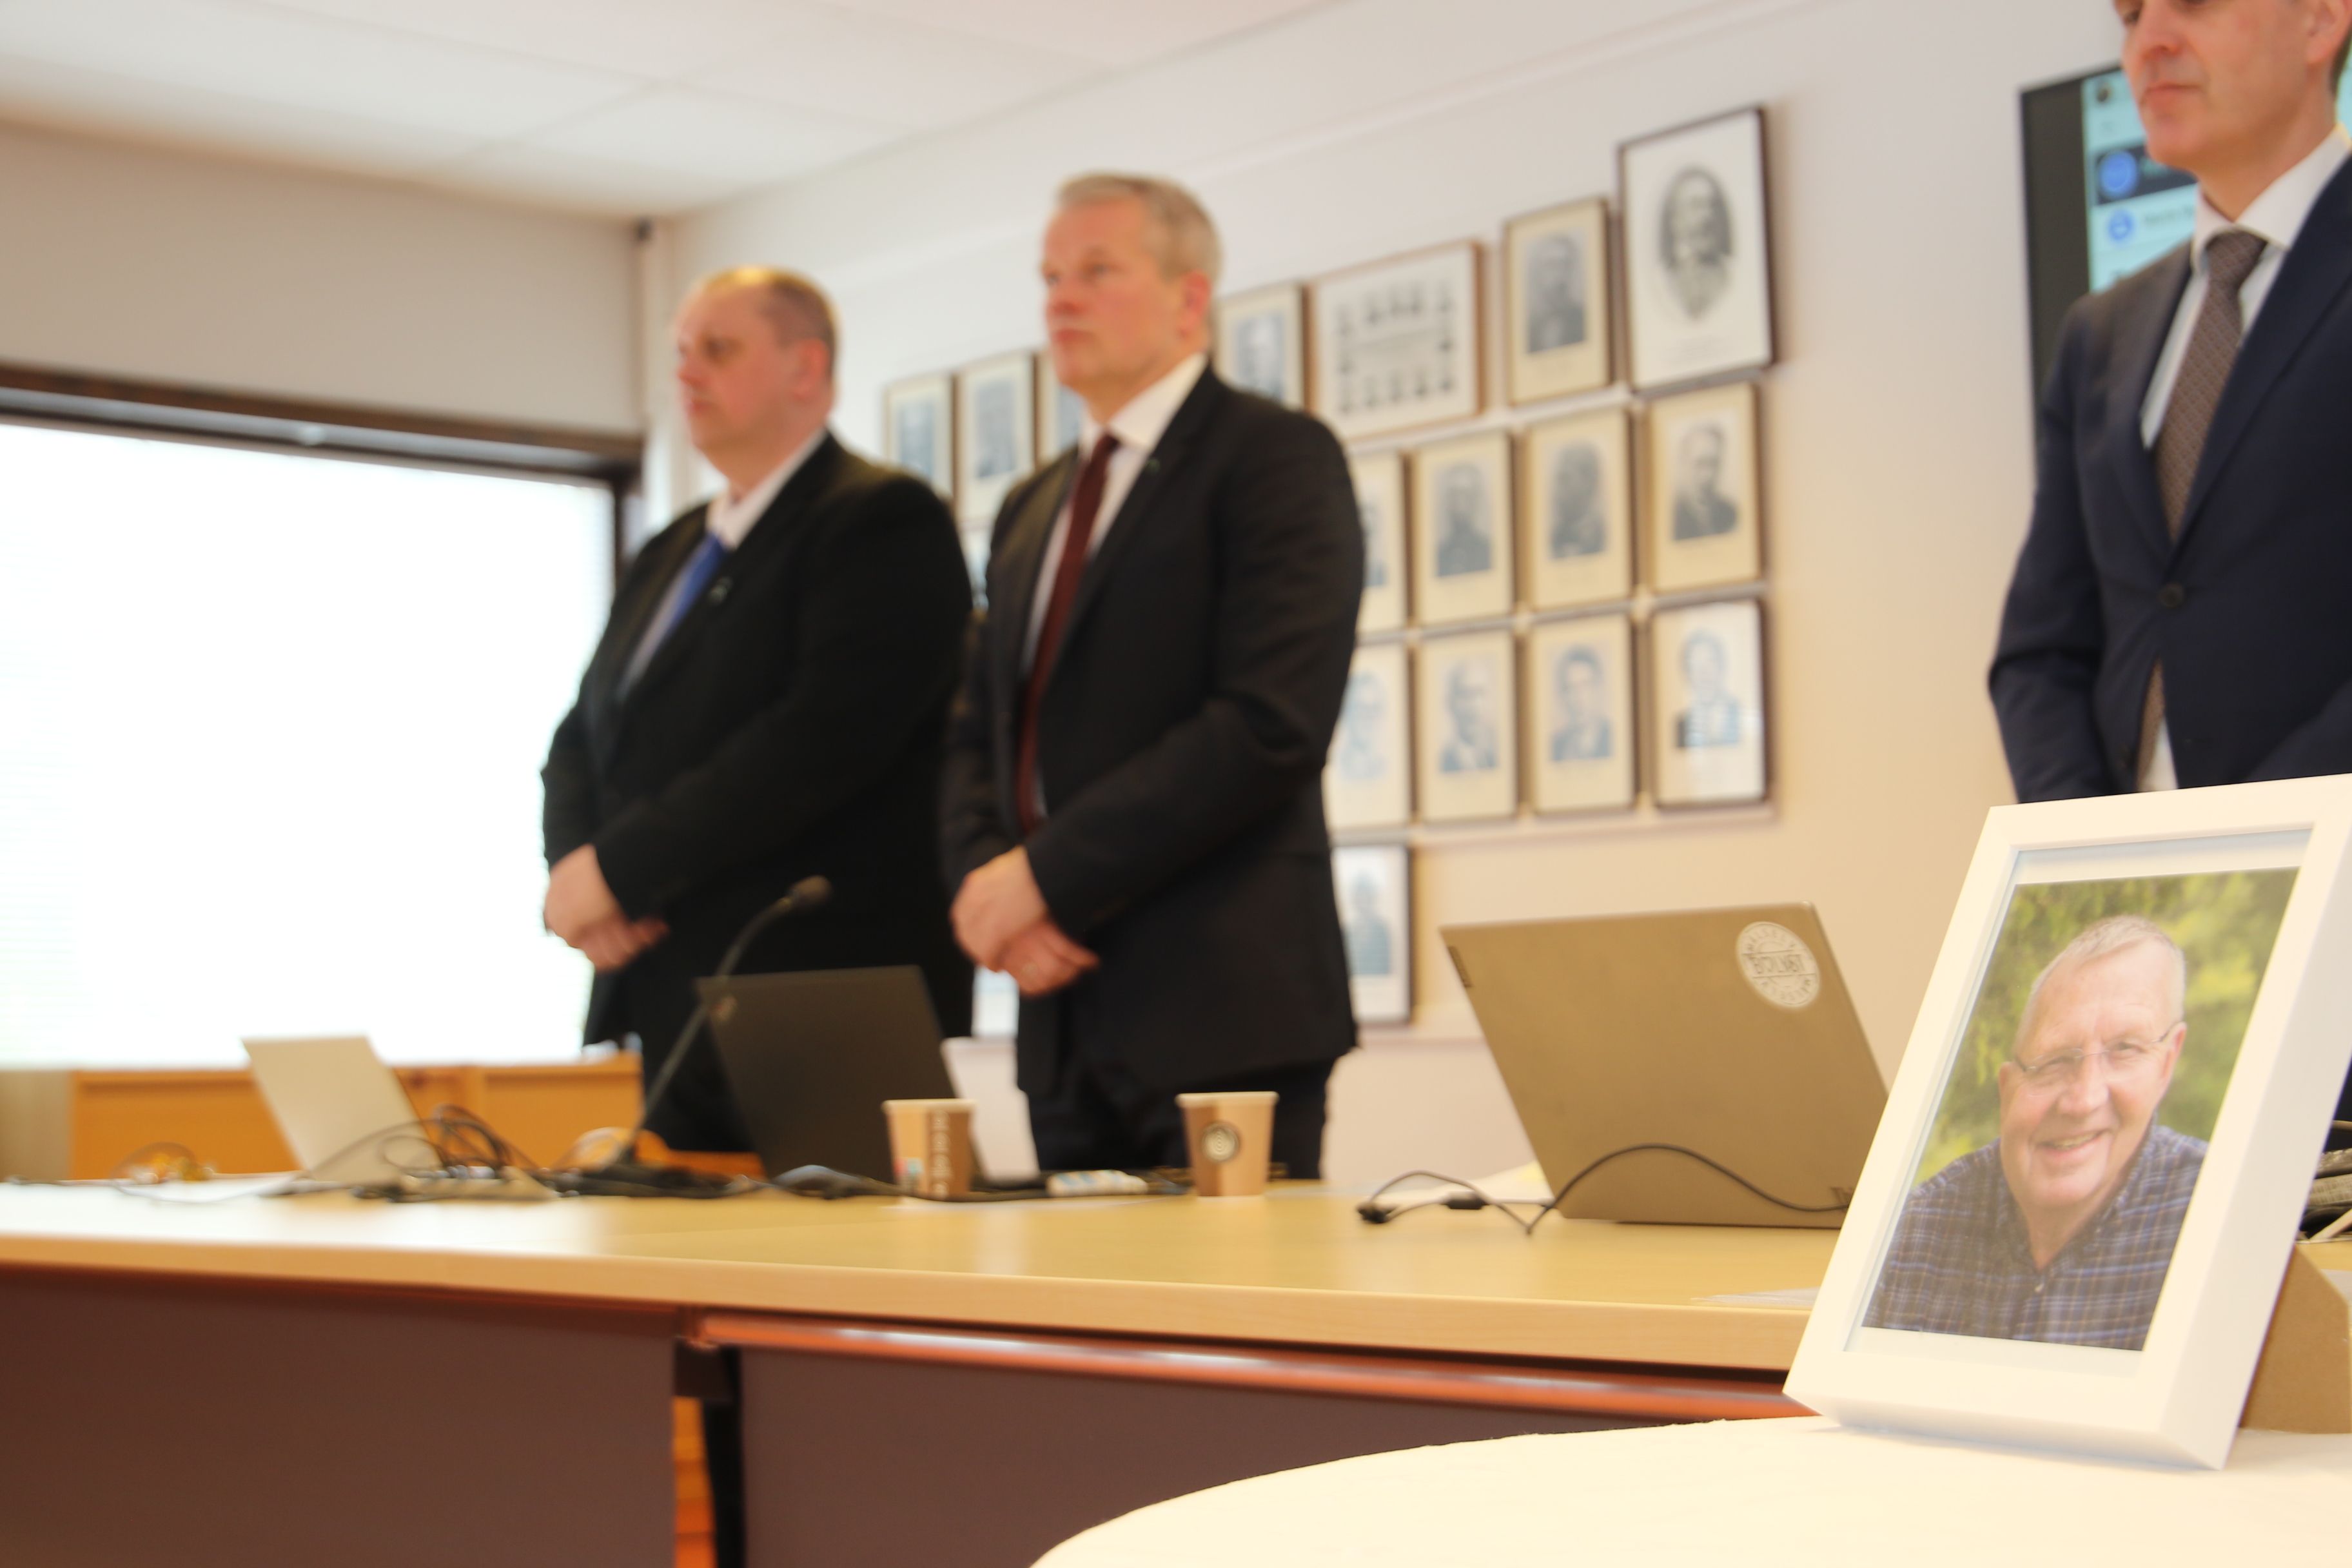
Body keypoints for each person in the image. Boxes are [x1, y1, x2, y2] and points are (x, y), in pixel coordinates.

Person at [939, 173, 1363, 1176]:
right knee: (1073, 1286)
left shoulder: (1275, 458)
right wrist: (988, 885)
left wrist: (1045, 878)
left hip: (1223, 1010)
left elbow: (1269, 722)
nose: (1062, 301)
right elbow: (979, 731)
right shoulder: (1032, 506)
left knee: (1239, 1283)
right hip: (1058, 1013)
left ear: (1189, 296)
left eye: (1097, 271)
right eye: (1050, 277)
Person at [1989, 0, 2352, 1130]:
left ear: (2320, 21)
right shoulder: (2101, 332)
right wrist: (2101, 862)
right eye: (2131, 12)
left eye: (2189, 3)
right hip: (2146, 961)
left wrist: (2254, 848)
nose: (2147, 42)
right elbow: (2043, 649)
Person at [541, 267, 974, 1153]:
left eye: (718, 349)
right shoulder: (671, 549)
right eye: (680, 352)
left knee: (834, 1237)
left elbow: (817, 741)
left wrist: (622, 867)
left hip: (819, 982)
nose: (687, 373)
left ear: (805, 368)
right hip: (670, 976)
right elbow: (585, 732)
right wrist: (576, 875)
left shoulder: (881, 520)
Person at [1867, 917, 2202, 1349]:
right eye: (2053, 1061)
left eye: (2125, 1049)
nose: (2083, 1099)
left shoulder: (2217, 1219)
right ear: (2007, 1089)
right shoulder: (1915, 1231)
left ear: (2167, 1062)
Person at [1660, 166, 1734, 319]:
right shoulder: (1660, 280)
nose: (1707, 215)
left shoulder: (1733, 273)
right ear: (1676, 218)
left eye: (1711, 206)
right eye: (1697, 205)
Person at [1674, 631, 1741, 749]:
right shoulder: (1682, 724)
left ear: (1721, 666)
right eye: (1696, 664)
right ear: (1688, 673)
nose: (1703, 672)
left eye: (1710, 662)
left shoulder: (1739, 714)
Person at [1670, 423, 1736, 541]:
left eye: (1713, 463)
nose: (1708, 475)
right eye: (1700, 464)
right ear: (1683, 464)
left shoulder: (1730, 514)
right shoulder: (1672, 517)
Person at [1524, 231, 1588, 352]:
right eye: (1552, 265)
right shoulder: (1530, 326)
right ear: (1538, 271)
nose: (1559, 274)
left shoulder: (1583, 319)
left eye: (1565, 265)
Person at [1549, 647, 1613, 762]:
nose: (1578, 698)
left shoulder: (1613, 738)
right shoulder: (1556, 746)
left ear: (1598, 689)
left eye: (1585, 686)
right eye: (1570, 688)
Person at [1438, 660, 1499, 773]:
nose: (1474, 705)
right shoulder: (1443, 760)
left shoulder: (1498, 754)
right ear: (1451, 703)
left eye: (1479, 693)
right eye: (1465, 694)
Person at [1547, 442, 1606, 559]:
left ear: (1588, 482)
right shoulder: (1556, 535)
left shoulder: (1602, 534)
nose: (1557, 490)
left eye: (1565, 479)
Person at [1433, 464, 1493, 577]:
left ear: (1475, 499)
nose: (1458, 501)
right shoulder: (1440, 554)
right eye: (1453, 494)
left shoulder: (1487, 550)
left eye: (1464, 494)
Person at [1335, 671, 1389, 782]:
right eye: (1361, 709)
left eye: (1373, 709)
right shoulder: (1339, 766)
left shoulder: (1384, 767)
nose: (1368, 718)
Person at [1342, 875, 1395, 979]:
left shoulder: (1382, 930)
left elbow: (1387, 966)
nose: (1363, 902)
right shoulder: (1348, 930)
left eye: (1366, 897)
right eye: (1360, 897)